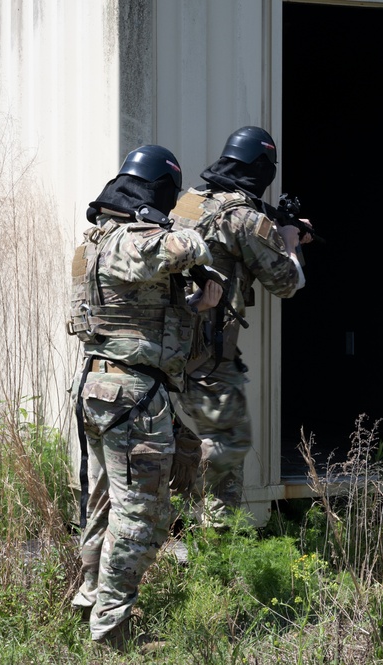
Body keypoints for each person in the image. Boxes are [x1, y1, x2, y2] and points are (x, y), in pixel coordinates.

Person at [66, 144, 220, 649]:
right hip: (131, 395)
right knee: (143, 517)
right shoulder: (131, 239)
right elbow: (182, 247)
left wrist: (196, 301)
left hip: (98, 385)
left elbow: (135, 312)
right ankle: (110, 634)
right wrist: (192, 237)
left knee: (105, 502)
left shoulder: (92, 243)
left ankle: (89, 600)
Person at [167, 126, 312, 527]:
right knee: (229, 442)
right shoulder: (245, 218)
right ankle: (217, 538)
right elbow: (286, 283)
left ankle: (182, 494)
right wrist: (290, 239)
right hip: (209, 352)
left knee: (187, 435)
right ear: (262, 168)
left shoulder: (189, 202)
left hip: (167, 346)